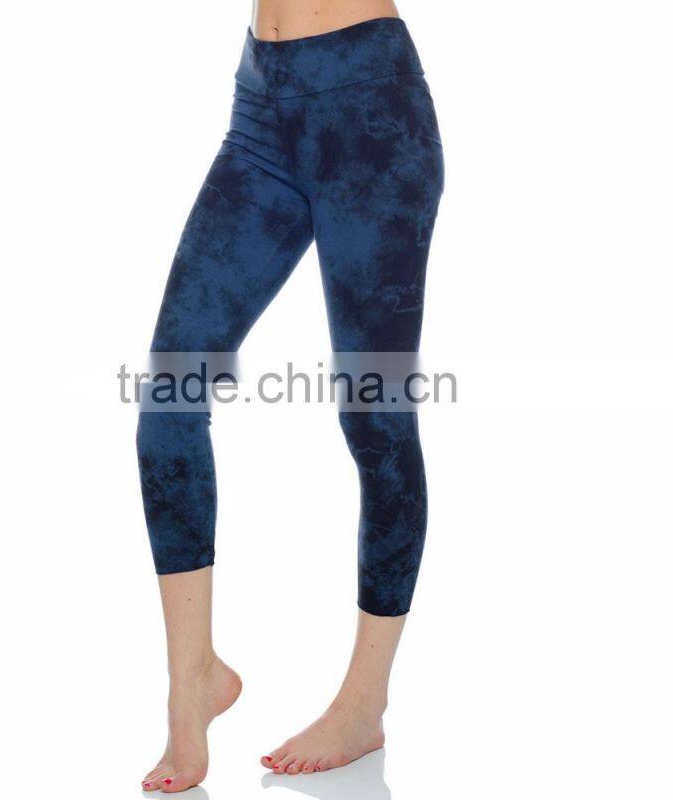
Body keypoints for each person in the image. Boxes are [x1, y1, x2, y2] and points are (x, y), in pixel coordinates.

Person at [137, 0, 444, 791]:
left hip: (371, 113)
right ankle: (192, 681)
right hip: (261, 109)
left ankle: (364, 704)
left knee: (374, 415)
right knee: (170, 395)